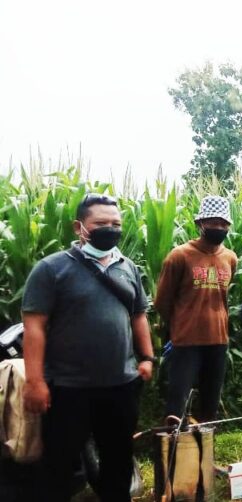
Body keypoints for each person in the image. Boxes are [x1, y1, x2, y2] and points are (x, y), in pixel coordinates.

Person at [22, 193, 153, 502]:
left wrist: (146, 357)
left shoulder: (128, 267)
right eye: (101, 223)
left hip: (120, 385)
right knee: (59, 465)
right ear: (79, 227)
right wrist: (35, 381)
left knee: (118, 460)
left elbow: (139, 316)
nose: (110, 228)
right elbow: (34, 327)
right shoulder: (52, 269)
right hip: (68, 388)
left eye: (116, 223)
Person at [154, 195, 238, 423]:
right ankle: (172, 454)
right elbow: (162, 301)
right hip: (186, 342)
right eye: (213, 223)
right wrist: (179, 326)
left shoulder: (230, 258)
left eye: (223, 224)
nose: (219, 228)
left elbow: (223, 297)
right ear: (200, 224)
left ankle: (203, 457)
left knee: (210, 406)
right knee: (177, 405)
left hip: (219, 341)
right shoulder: (180, 256)